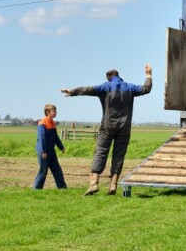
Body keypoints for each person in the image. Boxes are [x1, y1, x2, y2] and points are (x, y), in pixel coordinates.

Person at [61, 65, 152, 196]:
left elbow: (88, 89)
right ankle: (113, 184)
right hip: (124, 127)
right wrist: (148, 75)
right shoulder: (130, 87)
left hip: (107, 126)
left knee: (101, 152)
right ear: (119, 76)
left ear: (109, 78)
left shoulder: (106, 86)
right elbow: (146, 89)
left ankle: (94, 184)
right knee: (118, 155)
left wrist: (72, 91)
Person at [33, 103, 67, 190]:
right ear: (48, 112)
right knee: (43, 171)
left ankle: (62, 187)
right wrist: (43, 151)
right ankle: (37, 188)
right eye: (53, 111)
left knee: (57, 169)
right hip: (43, 151)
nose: (55, 112)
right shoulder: (42, 123)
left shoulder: (53, 123)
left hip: (51, 151)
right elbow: (42, 138)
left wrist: (61, 147)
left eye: (56, 111)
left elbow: (55, 137)